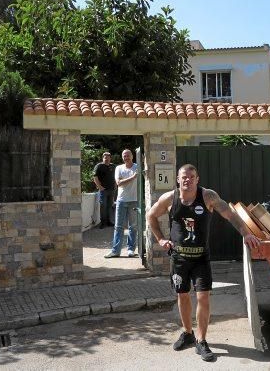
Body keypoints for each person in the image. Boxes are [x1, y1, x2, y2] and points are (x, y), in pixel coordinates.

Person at [147, 164, 261, 362]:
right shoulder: (169, 199)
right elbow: (151, 215)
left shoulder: (208, 196)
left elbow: (230, 214)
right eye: (184, 177)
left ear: (197, 179)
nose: (187, 180)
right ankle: (188, 333)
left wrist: (246, 233)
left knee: (203, 297)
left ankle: (201, 340)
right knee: (182, 296)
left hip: (201, 257)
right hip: (179, 258)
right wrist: (160, 239)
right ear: (178, 179)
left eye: (192, 177)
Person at [104, 149, 138, 258]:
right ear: (122, 157)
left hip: (134, 200)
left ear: (132, 156)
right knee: (118, 227)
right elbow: (119, 183)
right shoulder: (119, 168)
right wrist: (133, 177)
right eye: (124, 156)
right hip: (121, 201)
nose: (126, 157)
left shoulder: (137, 167)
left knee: (133, 227)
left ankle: (131, 250)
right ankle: (115, 251)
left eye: (128, 155)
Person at [93, 152, 116, 229]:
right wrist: (99, 187)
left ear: (110, 158)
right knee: (103, 206)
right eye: (105, 157)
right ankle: (103, 222)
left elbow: (116, 177)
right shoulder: (99, 166)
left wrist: (115, 186)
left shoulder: (113, 166)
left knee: (109, 206)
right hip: (103, 190)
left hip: (112, 190)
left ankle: (109, 221)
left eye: (108, 157)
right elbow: (95, 177)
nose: (106, 159)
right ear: (103, 158)